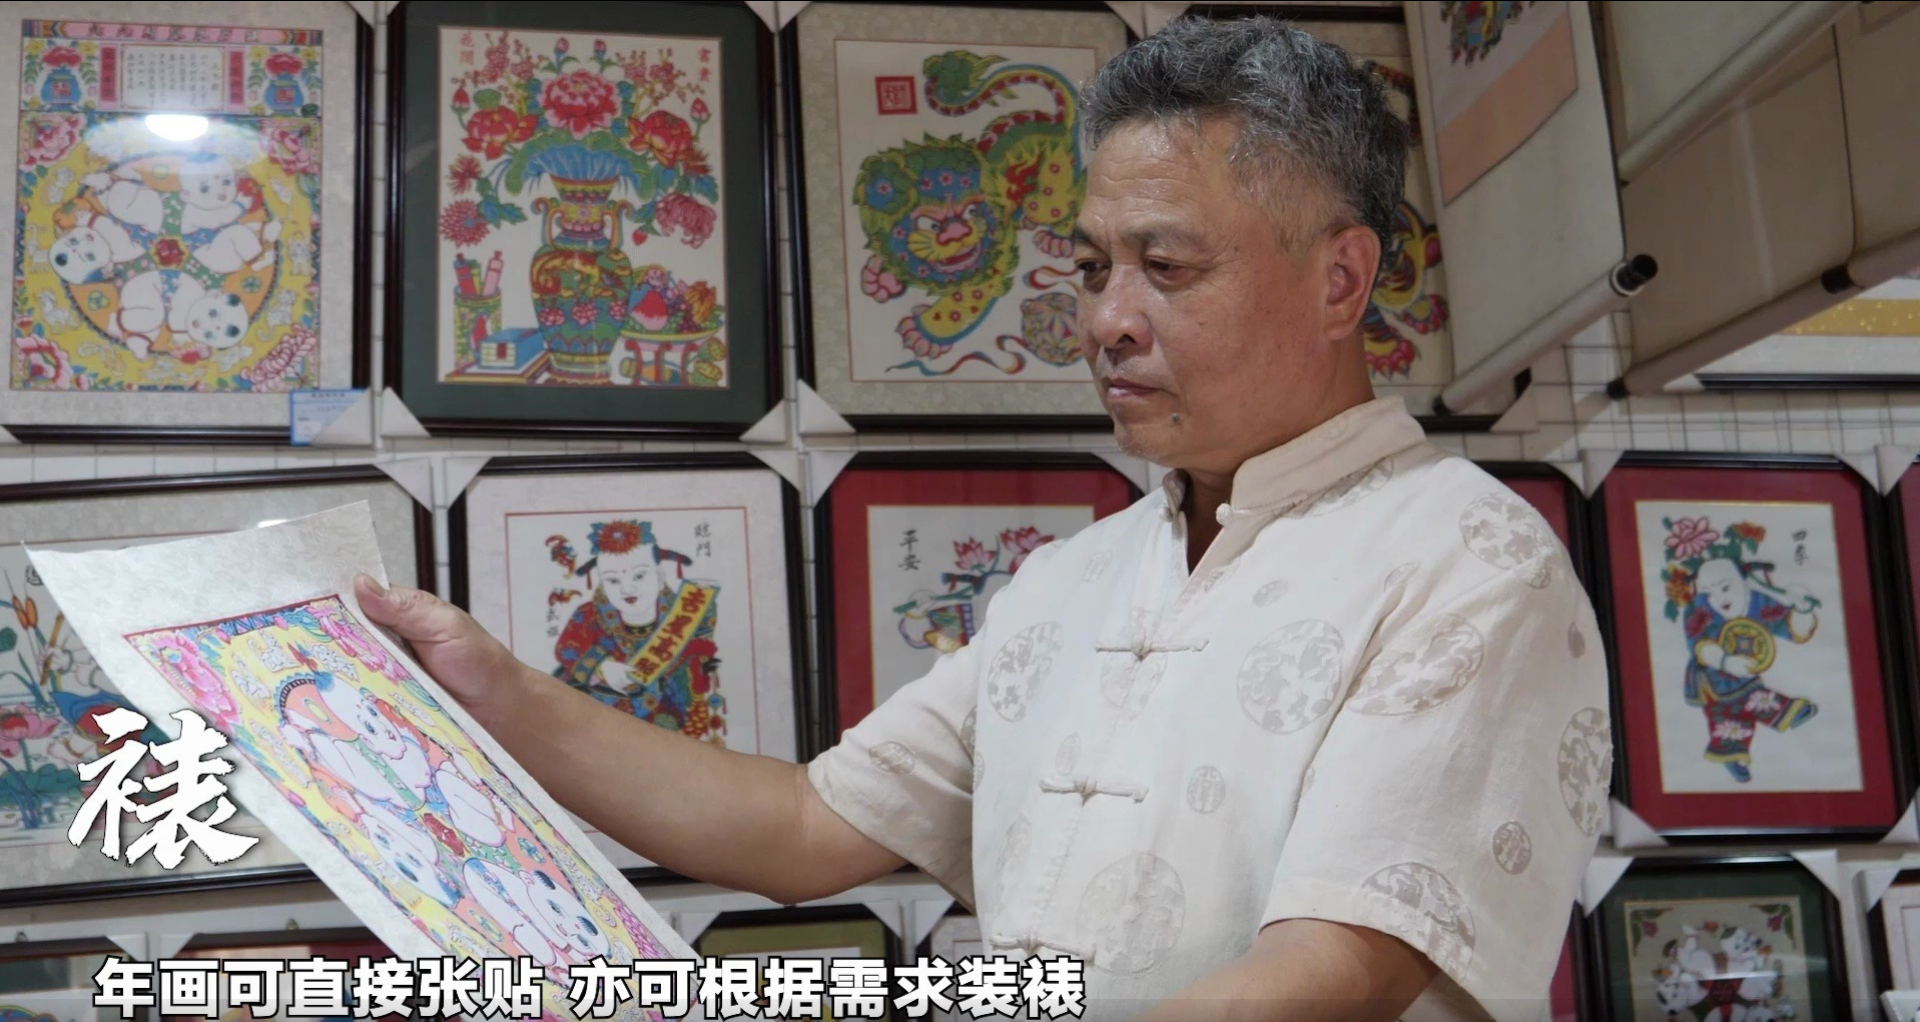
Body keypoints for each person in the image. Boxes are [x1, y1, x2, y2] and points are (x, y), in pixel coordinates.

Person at [356, 15, 1608, 1021]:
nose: (1107, 320)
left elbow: (1331, 972)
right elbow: (802, 825)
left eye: (1167, 267)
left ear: (1341, 280)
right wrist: (496, 690)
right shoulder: (1070, 580)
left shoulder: (1467, 557)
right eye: (1092, 266)